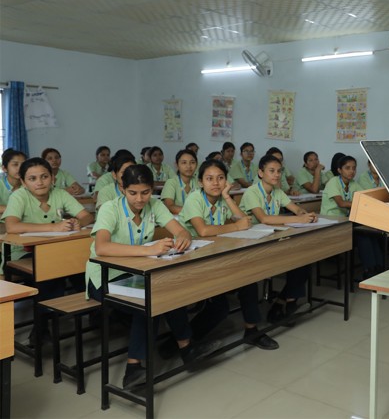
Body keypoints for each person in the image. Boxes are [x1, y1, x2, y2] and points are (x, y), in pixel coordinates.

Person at [85, 165, 219, 390]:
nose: (139, 199)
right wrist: (149, 249)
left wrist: (183, 238)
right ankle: (133, 368)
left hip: (137, 273)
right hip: (105, 277)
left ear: (152, 190)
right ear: (122, 189)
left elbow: (181, 229)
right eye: (133, 193)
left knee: (167, 290)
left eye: (145, 192)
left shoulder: (155, 205)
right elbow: (102, 247)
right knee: (151, 300)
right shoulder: (110, 208)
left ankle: (186, 348)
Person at [180, 159, 279, 350]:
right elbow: (203, 231)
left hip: (217, 255)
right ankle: (183, 343)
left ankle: (252, 330)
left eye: (220, 178)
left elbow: (245, 221)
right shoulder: (195, 198)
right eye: (209, 179)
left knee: (248, 280)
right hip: (193, 260)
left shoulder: (221, 199)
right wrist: (235, 226)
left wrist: (227, 197)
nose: (216, 183)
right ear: (200, 182)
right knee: (221, 306)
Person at [3, 157, 95, 342]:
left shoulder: (60, 193)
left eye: (44, 176)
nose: (39, 182)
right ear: (23, 182)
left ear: (52, 178)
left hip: (59, 251)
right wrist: (52, 228)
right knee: (51, 274)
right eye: (33, 178)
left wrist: (79, 222)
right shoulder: (19, 196)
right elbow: (11, 226)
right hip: (25, 254)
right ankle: (42, 324)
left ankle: (93, 312)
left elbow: (87, 216)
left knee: (84, 269)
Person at [240, 154, 318, 322]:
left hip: (271, 238)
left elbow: (295, 209)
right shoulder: (252, 192)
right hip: (251, 243)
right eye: (271, 171)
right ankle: (282, 307)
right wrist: (298, 219)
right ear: (260, 173)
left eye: (279, 171)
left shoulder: (278, 191)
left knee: (303, 261)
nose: (276, 175)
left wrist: (305, 214)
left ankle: (285, 303)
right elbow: (264, 219)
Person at [321, 155, 383, 278]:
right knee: (363, 233)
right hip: (330, 222)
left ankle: (378, 267)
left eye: (354, 168)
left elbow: (366, 199)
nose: (351, 171)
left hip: (345, 221)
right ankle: (370, 269)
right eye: (347, 168)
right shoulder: (333, 182)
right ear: (339, 170)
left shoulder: (353, 184)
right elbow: (341, 203)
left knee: (370, 232)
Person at [161, 150, 199, 214]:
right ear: (177, 165)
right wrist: (194, 212)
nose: (188, 166)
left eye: (192, 162)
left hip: (197, 219)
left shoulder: (199, 182)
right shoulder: (171, 182)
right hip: (176, 220)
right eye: (184, 163)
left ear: (196, 164)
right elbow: (169, 206)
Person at [0, 148, 26, 215]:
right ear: (4, 168)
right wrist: (15, 209)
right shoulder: (1, 184)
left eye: (23, 164)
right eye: (15, 164)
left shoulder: (29, 185)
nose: (20, 168)